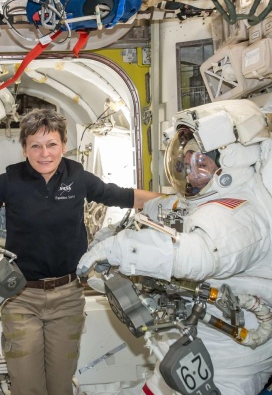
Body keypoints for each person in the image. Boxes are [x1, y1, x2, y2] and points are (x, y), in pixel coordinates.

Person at [0, 107, 162, 395]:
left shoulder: (78, 177)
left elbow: (122, 196)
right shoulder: (10, 181)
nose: (45, 153)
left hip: (67, 297)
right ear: (24, 148)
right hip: (22, 297)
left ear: (63, 146)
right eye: (35, 146)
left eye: (52, 144)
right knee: (27, 386)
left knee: (60, 385)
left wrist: (170, 201)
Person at [77, 99, 272, 395]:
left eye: (201, 164)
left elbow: (200, 256)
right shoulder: (204, 201)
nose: (191, 173)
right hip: (194, 348)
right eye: (188, 161)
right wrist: (115, 232)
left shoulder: (242, 212)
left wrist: (121, 249)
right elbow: (162, 210)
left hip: (229, 366)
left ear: (232, 162)